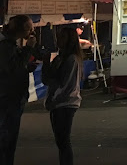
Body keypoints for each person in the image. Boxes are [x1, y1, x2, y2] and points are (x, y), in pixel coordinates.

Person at [42, 27, 83, 165]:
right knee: (61, 141)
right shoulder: (59, 58)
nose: (59, 40)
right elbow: (46, 80)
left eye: (63, 37)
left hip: (66, 103)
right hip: (58, 102)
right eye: (59, 37)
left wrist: (53, 100)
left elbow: (67, 85)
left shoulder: (71, 59)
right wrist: (46, 63)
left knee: (63, 141)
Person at [0, 15, 36, 165]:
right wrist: (28, 48)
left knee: (8, 142)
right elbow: (12, 69)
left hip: (11, 98)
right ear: (23, 29)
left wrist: (26, 67)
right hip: (8, 99)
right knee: (7, 142)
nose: (32, 32)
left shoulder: (10, 44)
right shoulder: (5, 45)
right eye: (30, 28)